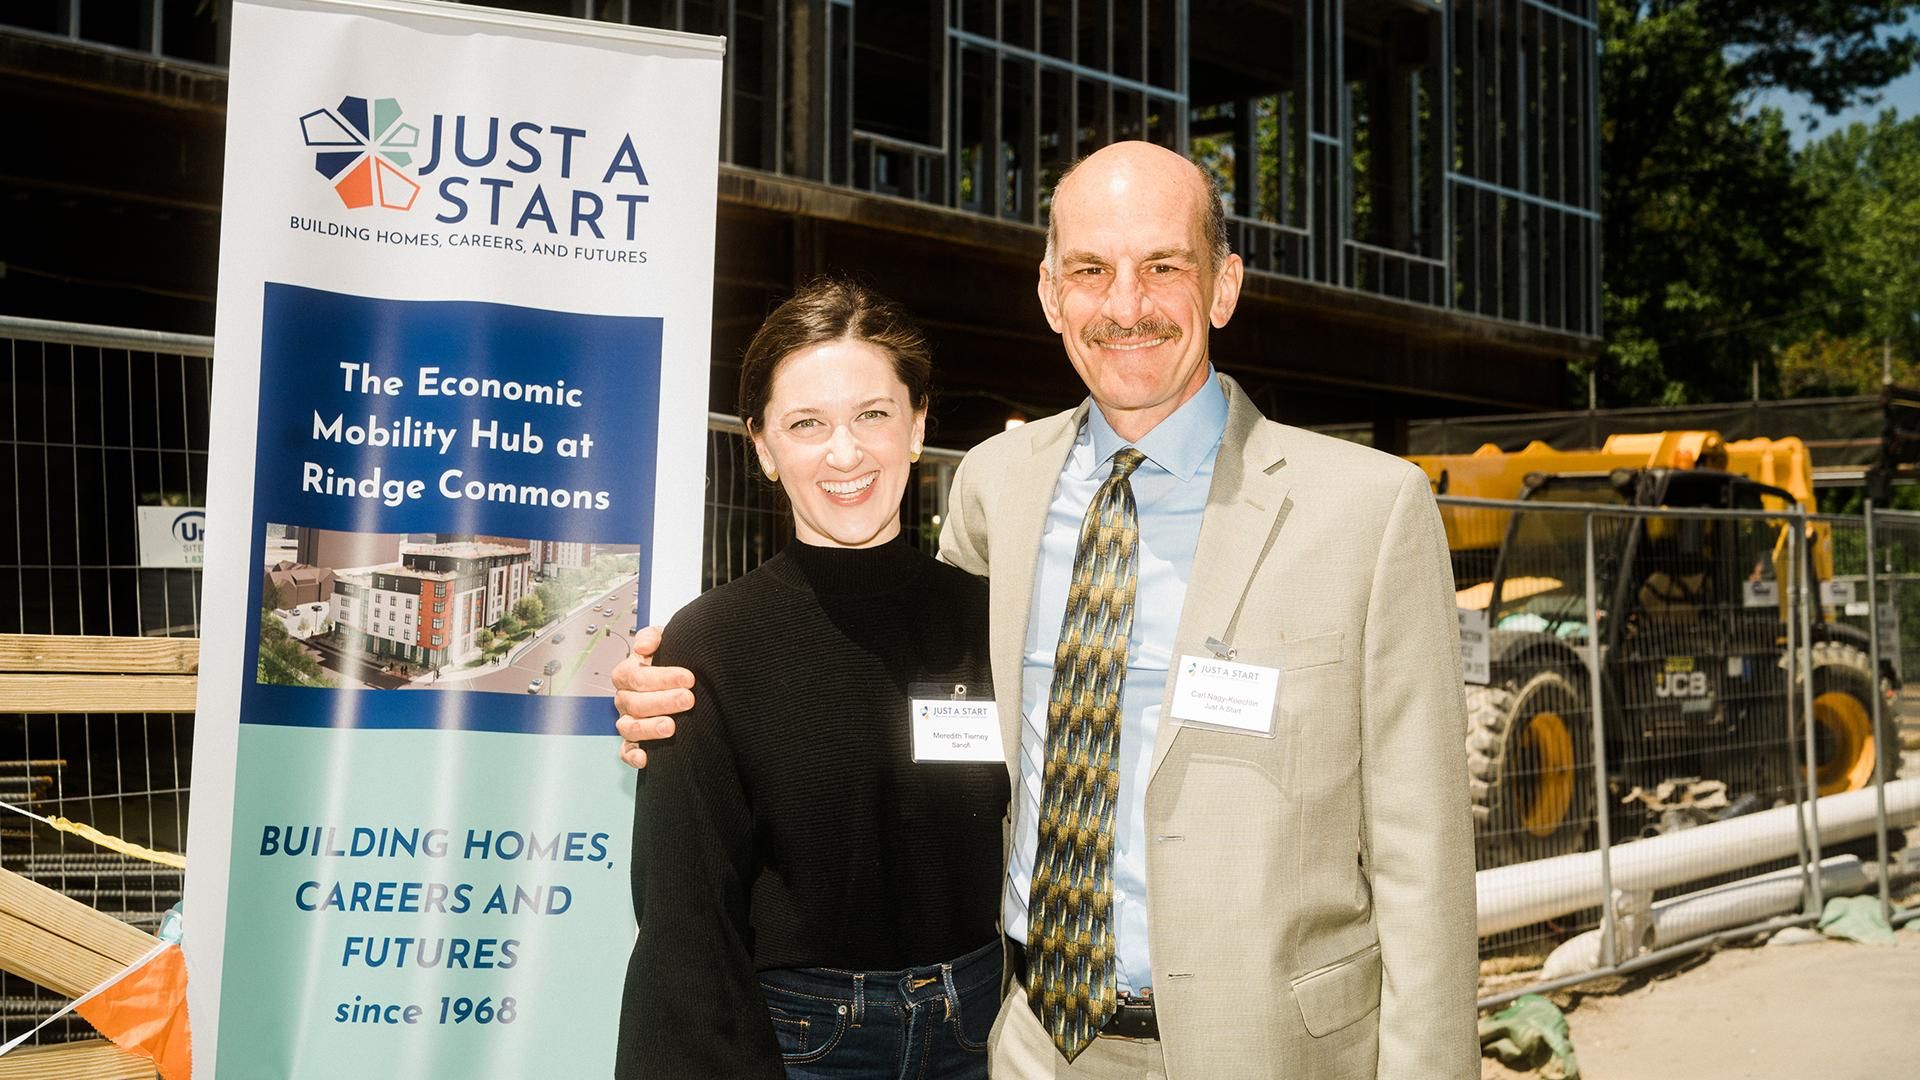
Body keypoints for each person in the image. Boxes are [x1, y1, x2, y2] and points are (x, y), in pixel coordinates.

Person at [616, 142, 1478, 1078]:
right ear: (1049, 294)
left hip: (1270, 1048)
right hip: (1024, 1042)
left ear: (1224, 287)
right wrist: (667, 695)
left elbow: (1422, 854)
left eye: (1163, 266)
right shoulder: (999, 488)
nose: (1125, 306)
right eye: (1090, 271)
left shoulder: (1369, 509)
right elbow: (888, 678)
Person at [614, 279, 1009, 1079]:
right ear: (761, 445)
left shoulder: (993, 620)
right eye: (806, 424)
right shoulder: (711, 643)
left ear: (918, 422)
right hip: (803, 1047)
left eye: (873, 414)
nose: (844, 452)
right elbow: (687, 923)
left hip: (988, 1035)